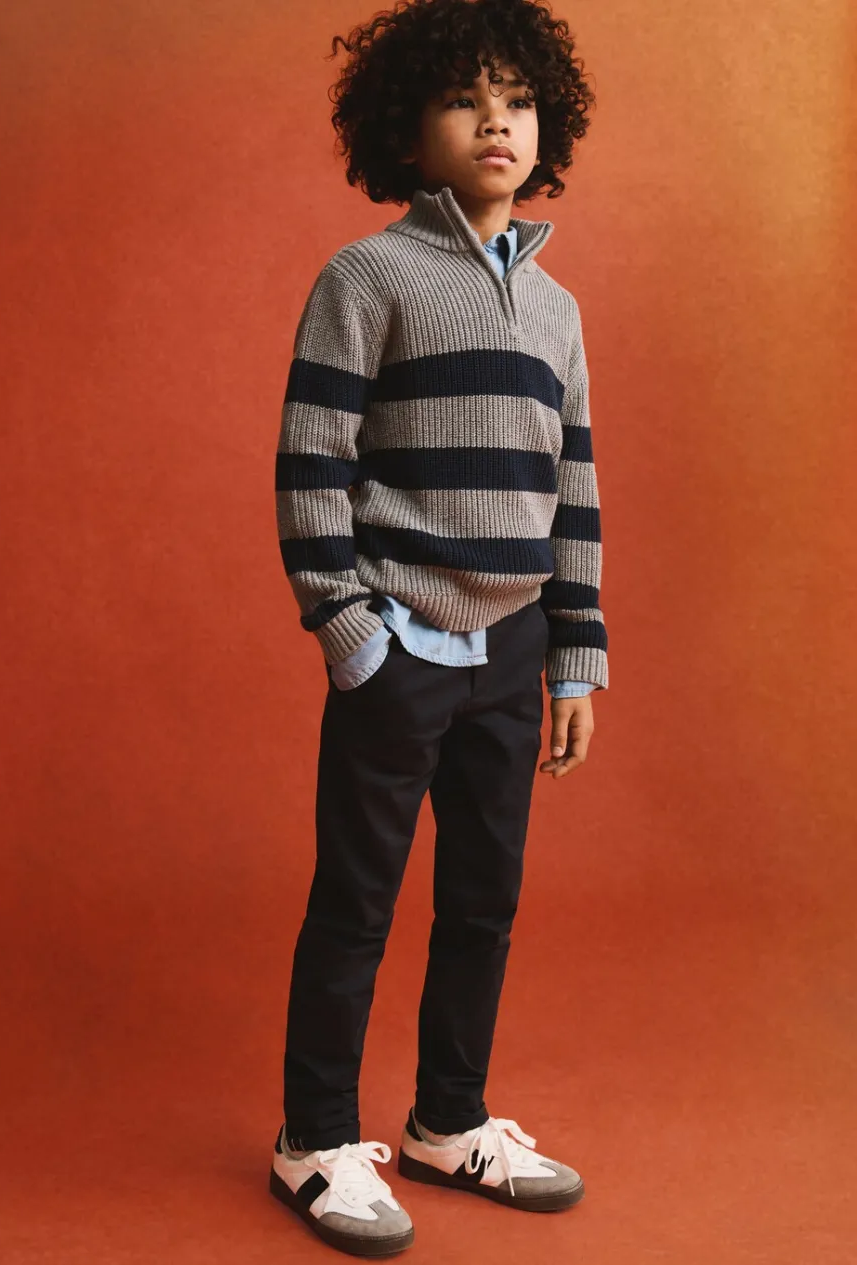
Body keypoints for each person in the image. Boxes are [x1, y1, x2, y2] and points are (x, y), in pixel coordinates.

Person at [270, 0, 609, 1253]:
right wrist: (350, 630)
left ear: (546, 124)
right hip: (399, 647)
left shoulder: (559, 311)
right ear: (408, 133)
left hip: (512, 654)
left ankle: (447, 1120)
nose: (494, 122)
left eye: (515, 100)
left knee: (483, 900)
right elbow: (311, 466)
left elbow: (574, 493)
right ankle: (312, 1139)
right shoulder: (366, 278)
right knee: (357, 900)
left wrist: (574, 658)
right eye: (464, 99)